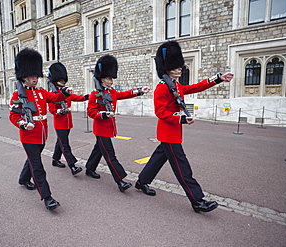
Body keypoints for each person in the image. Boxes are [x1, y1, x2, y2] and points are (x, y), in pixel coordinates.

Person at [135, 41, 234, 213]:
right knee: (183, 167)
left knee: (158, 158)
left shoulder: (176, 85)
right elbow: (161, 112)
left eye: (180, 66)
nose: (180, 68)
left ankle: (142, 181)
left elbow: (195, 87)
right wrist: (180, 119)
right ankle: (197, 200)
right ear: (167, 68)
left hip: (172, 133)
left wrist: (218, 79)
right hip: (168, 134)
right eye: (176, 66)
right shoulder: (162, 88)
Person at [9, 48, 73, 210]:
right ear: (24, 76)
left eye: (36, 75)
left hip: (42, 134)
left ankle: (23, 179)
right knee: (37, 166)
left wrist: (65, 92)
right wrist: (23, 124)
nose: (35, 78)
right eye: (32, 76)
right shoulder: (18, 95)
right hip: (29, 135)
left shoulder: (41, 92)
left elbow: (55, 98)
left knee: (33, 159)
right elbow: (13, 116)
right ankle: (47, 197)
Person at [85, 54, 150, 192]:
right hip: (101, 129)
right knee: (110, 155)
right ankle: (120, 180)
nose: (111, 80)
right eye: (109, 78)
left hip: (109, 128)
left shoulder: (112, 92)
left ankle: (90, 168)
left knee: (98, 150)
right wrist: (103, 114)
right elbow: (91, 112)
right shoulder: (95, 94)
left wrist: (139, 91)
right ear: (102, 79)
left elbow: (124, 94)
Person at [47, 62, 88, 176]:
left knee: (60, 142)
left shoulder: (65, 92)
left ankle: (55, 159)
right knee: (65, 145)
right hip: (60, 124)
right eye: (61, 80)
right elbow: (52, 109)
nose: (63, 81)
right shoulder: (53, 94)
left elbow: (75, 97)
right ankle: (72, 166)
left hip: (68, 123)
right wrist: (61, 111)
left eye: (64, 80)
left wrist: (86, 97)